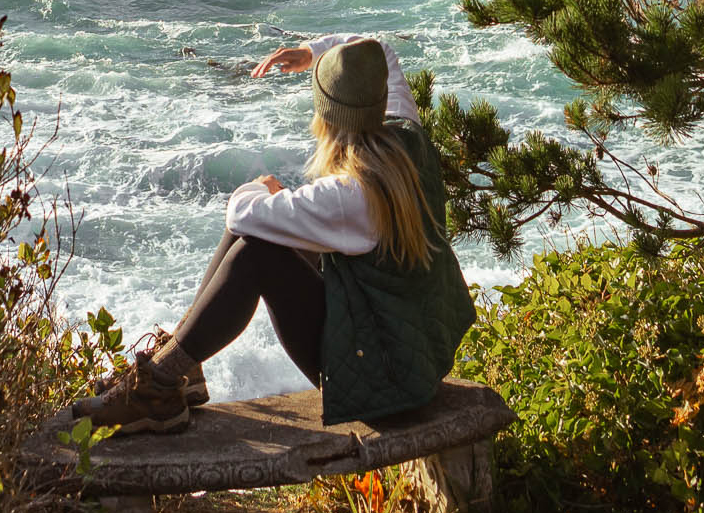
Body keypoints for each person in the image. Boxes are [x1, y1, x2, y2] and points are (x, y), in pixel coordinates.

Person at [71, 34, 476, 434]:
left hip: (380, 385)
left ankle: (158, 389)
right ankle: (178, 369)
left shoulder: (350, 194)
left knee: (255, 252)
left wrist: (262, 187)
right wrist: (312, 52)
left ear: (325, 116)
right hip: (410, 355)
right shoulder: (408, 135)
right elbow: (378, 49)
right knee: (264, 233)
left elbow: (240, 213)